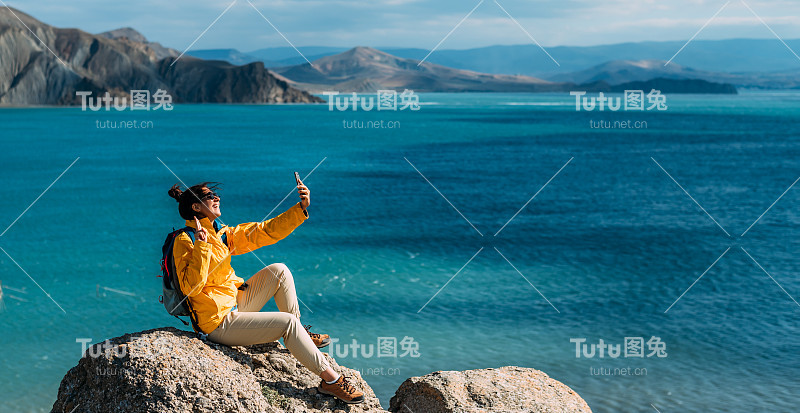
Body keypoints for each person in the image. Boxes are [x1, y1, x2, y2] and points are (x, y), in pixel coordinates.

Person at [167, 180, 364, 404]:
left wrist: (300, 209)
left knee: (279, 270)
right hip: (216, 322)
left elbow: (263, 231)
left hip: (235, 303)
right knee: (286, 323)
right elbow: (191, 288)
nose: (217, 198)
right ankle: (331, 381)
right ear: (195, 207)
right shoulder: (185, 240)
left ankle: (301, 335)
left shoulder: (221, 234)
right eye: (210, 195)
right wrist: (202, 247)